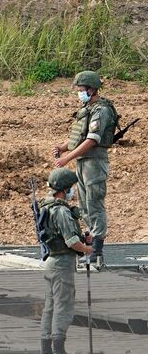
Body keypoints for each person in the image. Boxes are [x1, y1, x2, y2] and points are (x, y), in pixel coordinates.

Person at [53, 70, 117, 269]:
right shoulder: (87, 108)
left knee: (94, 203)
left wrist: (67, 158)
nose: (79, 93)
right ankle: (90, 248)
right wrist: (63, 148)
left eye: (81, 89)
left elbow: (92, 140)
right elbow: (79, 136)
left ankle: (97, 251)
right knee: (84, 205)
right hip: (83, 161)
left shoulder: (101, 110)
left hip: (94, 162)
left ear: (91, 89)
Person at [39, 167, 94, 354]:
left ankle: (45, 352)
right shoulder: (61, 211)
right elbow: (71, 242)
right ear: (64, 189)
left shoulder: (45, 207)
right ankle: (59, 352)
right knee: (63, 306)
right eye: (70, 187)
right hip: (62, 263)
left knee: (50, 307)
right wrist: (88, 249)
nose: (72, 191)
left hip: (51, 262)